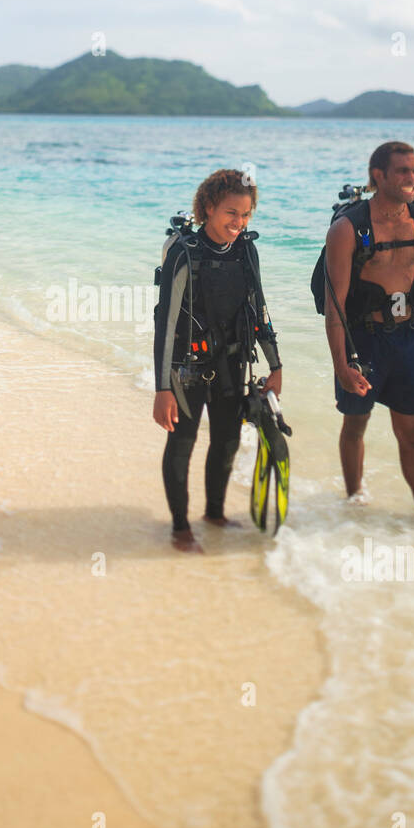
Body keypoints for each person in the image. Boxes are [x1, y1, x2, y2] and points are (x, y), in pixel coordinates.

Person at [153, 169, 282, 552]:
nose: (238, 223)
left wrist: (276, 365)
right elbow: (166, 323)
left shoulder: (246, 249)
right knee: (183, 444)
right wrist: (163, 388)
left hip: (232, 361)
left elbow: (259, 307)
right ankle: (179, 527)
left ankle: (214, 514)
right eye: (231, 213)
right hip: (187, 369)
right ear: (208, 208)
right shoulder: (184, 254)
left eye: (245, 215)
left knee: (226, 442)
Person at [324, 141, 414, 519]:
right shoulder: (348, 229)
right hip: (362, 342)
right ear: (378, 176)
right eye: (403, 171)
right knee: (356, 423)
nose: (412, 178)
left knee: (411, 436)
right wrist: (341, 365)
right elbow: (335, 306)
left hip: (406, 340)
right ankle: (354, 504)